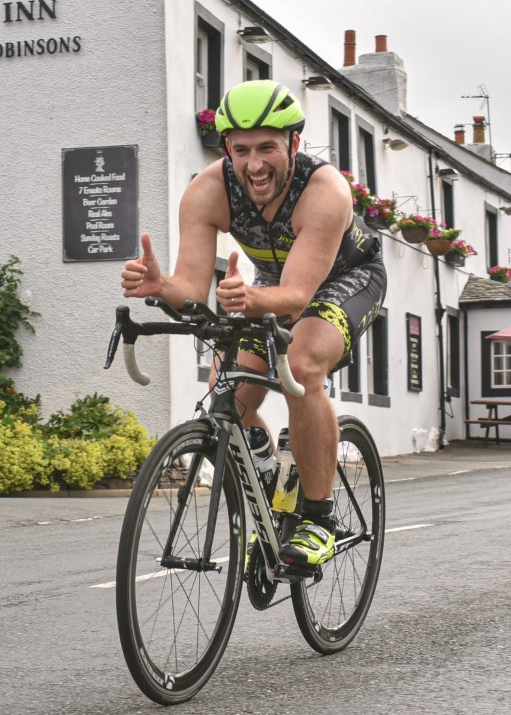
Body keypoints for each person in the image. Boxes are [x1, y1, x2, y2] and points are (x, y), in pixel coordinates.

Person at [119, 80, 387, 568]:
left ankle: (317, 518)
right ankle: (268, 471)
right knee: (228, 385)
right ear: (226, 150)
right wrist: (162, 286)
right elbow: (192, 290)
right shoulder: (207, 190)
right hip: (268, 281)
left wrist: (251, 300)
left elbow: (298, 298)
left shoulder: (325, 191)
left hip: (346, 277)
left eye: (268, 147)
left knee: (302, 365)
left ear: (294, 144)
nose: (255, 164)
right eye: (241, 150)